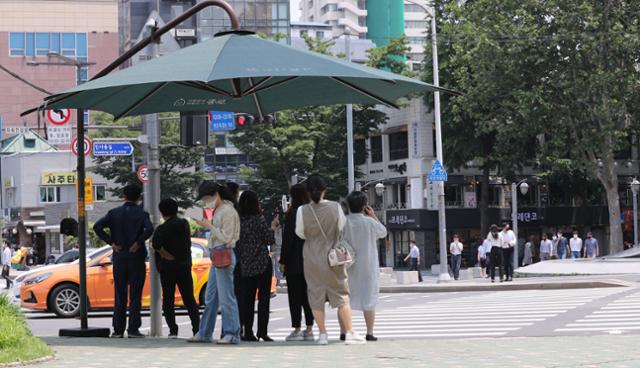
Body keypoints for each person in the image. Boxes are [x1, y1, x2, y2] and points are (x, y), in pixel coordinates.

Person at [295, 175, 365, 345]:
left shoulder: (302, 210)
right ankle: (349, 332)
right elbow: (341, 227)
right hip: (333, 256)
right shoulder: (335, 207)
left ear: (308, 193)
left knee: (315, 295)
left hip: (311, 256)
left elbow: (300, 233)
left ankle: (322, 334)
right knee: (341, 294)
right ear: (324, 190)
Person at [94, 185, 154, 338]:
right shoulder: (142, 214)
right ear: (139, 197)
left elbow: (97, 226)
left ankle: (118, 330)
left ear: (124, 196)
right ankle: (133, 329)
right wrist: (139, 242)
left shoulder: (114, 213)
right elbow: (149, 229)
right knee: (135, 294)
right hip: (136, 257)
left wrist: (111, 242)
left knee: (119, 294)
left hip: (119, 257)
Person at [189, 181, 241, 344]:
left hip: (224, 254)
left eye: (206, 198)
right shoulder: (219, 209)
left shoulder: (228, 211)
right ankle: (205, 333)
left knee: (226, 298)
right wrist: (207, 225)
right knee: (211, 297)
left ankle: (232, 334)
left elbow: (226, 237)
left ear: (215, 195)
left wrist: (208, 226)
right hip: (217, 255)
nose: (205, 202)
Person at [151, 198, 200, 338]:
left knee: (168, 299)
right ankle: (197, 328)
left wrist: (165, 255)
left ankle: (173, 330)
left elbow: (156, 245)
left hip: (168, 268)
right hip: (184, 265)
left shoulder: (162, 229)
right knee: (189, 298)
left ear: (161, 212)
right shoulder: (184, 224)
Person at [343, 191, 387, 342]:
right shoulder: (370, 222)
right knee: (369, 300)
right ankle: (369, 332)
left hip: (347, 267)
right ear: (364, 206)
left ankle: (344, 331)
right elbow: (383, 232)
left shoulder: (344, 222)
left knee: (345, 300)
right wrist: (373, 215)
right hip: (368, 266)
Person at [235, 190, 277, 342]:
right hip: (262, 263)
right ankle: (262, 332)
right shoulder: (259, 220)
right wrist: (272, 227)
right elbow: (269, 239)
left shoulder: (238, 221)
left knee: (248, 299)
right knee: (264, 298)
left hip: (245, 264)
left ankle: (248, 332)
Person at [280, 184, 315, 342]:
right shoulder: (311, 212)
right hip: (311, 260)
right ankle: (309, 329)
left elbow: (288, 240)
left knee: (294, 296)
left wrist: (283, 260)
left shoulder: (292, 214)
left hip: (294, 261)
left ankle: (297, 329)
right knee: (308, 296)